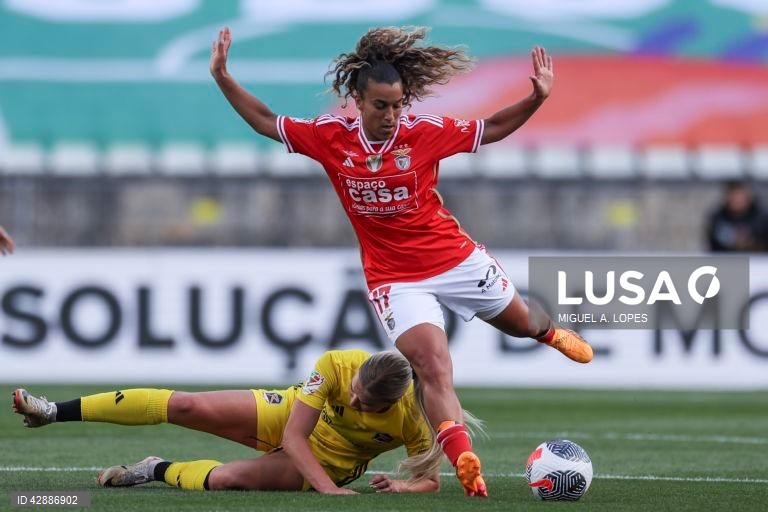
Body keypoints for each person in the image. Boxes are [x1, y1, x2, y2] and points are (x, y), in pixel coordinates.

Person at [210, 26, 593, 497]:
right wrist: (223, 77)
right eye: (380, 106)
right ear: (357, 98)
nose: (391, 116)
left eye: (397, 105)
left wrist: (536, 99)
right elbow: (267, 121)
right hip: (395, 279)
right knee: (433, 364)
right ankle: (463, 458)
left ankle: (549, 333)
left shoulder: (425, 134)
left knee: (521, 322)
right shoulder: (330, 137)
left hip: (454, 258)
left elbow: (490, 128)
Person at [12, 349, 459, 494]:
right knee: (186, 406)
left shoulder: (414, 418)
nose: (355, 401)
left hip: (332, 459)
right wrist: (330, 494)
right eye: (355, 393)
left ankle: (154, 469)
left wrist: (403, 486)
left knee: (225, 481)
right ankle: (53, 412)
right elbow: (293, 435)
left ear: (391, 404)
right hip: (291, 417)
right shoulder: (337, 366)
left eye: (365, 406)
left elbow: (432, 482)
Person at [707, 180, 768, 252]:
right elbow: (714, 244)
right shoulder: (718, 218)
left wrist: (750, 241)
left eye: (739, 194)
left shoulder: (762, 217)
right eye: (733, 195)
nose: (736, 199)